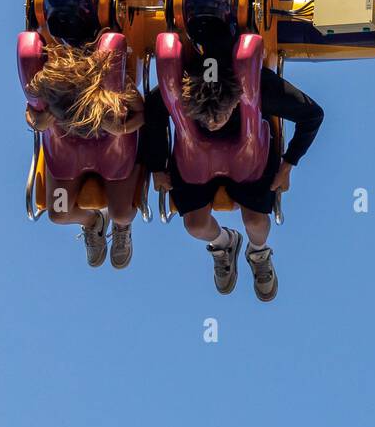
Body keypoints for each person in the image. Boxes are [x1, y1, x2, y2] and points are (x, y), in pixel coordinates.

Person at [140, 49, 323, 302]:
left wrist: (288, 163)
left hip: (249, 159)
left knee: (256, 224)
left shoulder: (261, 88)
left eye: (219, 117)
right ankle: (225, 242)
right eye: (205, 119)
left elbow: (313, 114)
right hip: (197, 160)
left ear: (236, 101)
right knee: (194, 226)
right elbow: (152, 111)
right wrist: (158, 167)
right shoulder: (181, 88)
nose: (212, 124)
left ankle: (258, 252)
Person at [24, 44, 146, 269]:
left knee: (121, 214)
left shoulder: (109, 82)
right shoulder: (53, 79)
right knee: (59, 213)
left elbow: (141, 113)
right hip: (68, 156)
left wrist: (122, 129)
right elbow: (31, 109)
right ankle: (93, 221)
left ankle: (121, 228)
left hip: (111, 153)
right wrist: (36, 122)